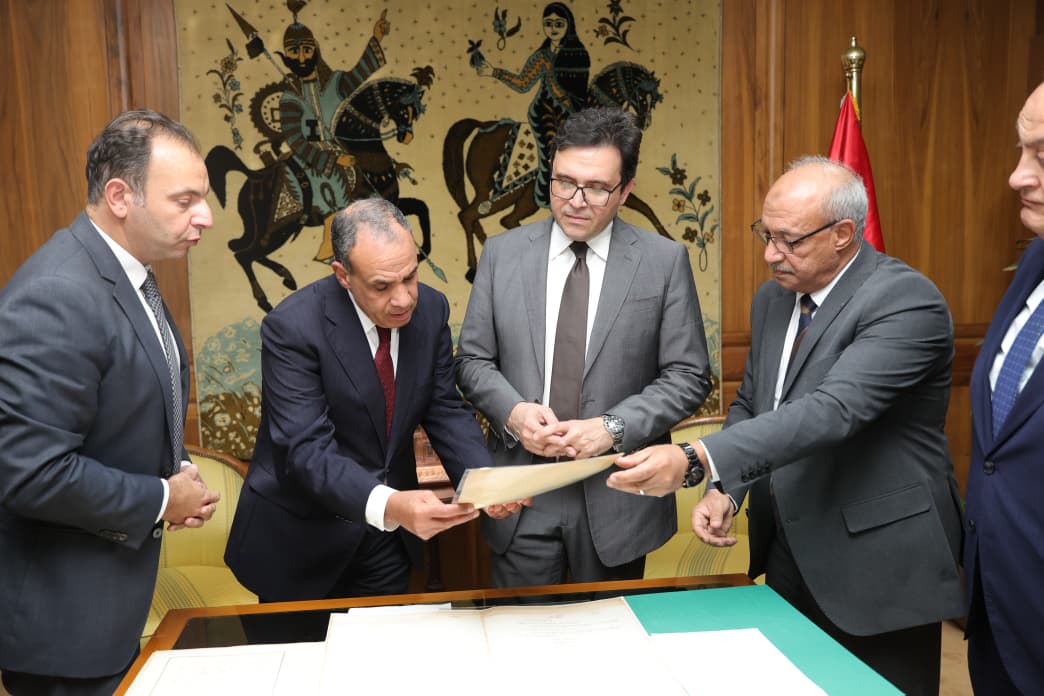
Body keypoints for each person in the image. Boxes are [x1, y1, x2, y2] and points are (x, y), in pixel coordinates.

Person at [609, 156, 964, 696]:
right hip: (789, 544)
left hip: (877, 559)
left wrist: (694, 457)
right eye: (766, 235)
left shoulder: (904, 300)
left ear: (843, 234)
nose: (771, 254)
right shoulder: (773, 299)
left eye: (789, 240)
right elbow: (758, 402)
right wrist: (728, 489)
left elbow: (831, 410)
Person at [0, 110, 220, 695]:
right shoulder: (57, 293)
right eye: (185, 200)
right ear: (121, 196)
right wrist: (161, 498)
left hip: (108, 612)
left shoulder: (129, 273)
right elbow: (31, 473)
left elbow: (121, 410)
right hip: (64, 630)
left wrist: (174, 476)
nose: (206, 216)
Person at [456, 106, 712, 588]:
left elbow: (689, 376)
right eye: (564, 182)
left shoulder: (663, 261)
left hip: (617, 490)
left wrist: (612, 428)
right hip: (522, 493)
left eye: (596, 188)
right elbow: (472, 361)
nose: (575, 201)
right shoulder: (502, 254)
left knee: (614, 632)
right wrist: (513, 413)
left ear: (625, 190)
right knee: (522, 630)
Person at [225, 197, 494, 601]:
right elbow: (306, 450)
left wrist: (485, 483)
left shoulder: (431, 310)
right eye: (382, 286)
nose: (403, 299)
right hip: (301, 540)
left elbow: (443, 406)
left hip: (385, 541)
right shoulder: (292, 327)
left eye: (410, 276)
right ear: (343, 275)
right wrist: (392, 505)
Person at [963, 82, 1044, 693]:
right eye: (1021, 151)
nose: (1017, 176)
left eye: (1043, 155)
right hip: (999, 598)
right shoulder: (1035, 260)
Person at [476, 2, 590, 207]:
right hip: (545, 111)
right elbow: (523, 84)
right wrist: (494, 72)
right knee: (553, 149)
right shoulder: (542, 56)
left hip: (572, 112)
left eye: (559, 23)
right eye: (548, 23)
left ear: (568, 26)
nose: (553, 28)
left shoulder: (579, 54)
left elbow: (581, 91)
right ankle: (549, 196)